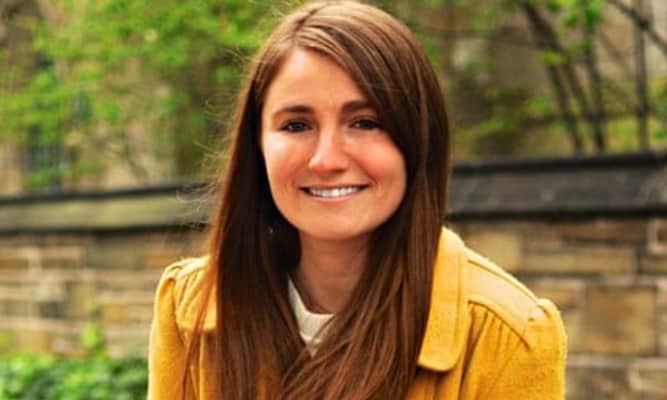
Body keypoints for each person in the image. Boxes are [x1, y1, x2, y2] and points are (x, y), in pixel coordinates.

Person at [147, 1, 567, 399]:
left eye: (364, 123)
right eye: (296, 125)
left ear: (418, 140)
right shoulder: (190, 306)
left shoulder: (508, 335)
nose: (326, 159)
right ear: (256, 145)